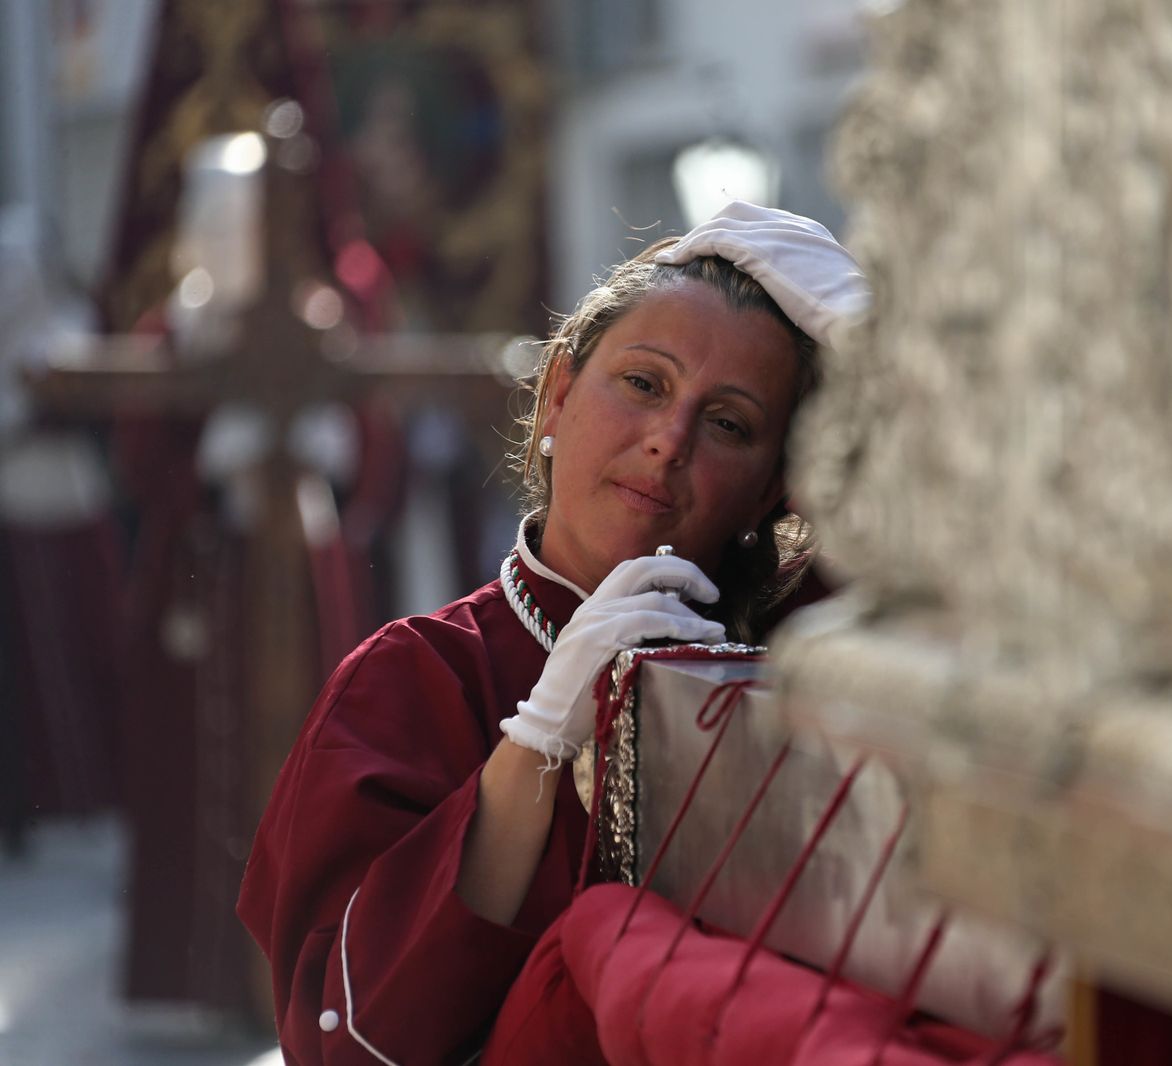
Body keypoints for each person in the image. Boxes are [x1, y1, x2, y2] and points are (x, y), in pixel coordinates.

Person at [237, 201, 868, 1064]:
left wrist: (885, 364)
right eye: (643, 383)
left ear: (774, 491)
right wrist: (535, 743)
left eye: (729, 424)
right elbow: (344, 1039)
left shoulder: (808, 654)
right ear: (559, 397)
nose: (668, 441)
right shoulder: (413, 677)